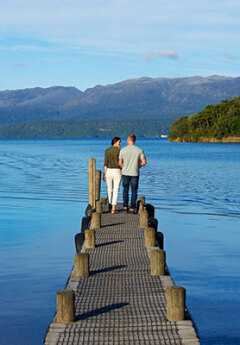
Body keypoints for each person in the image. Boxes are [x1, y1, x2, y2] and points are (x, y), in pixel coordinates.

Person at [119, 134, 147, 214]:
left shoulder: (123, 150)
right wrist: (138, 166)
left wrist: (124, 167)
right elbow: (144, 162)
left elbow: (120, 163)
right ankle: (132, 208)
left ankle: (125, 206)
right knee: (134, 191)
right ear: (134, 140)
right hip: (135, 173)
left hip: (125, 173)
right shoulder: (139, 150)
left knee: (125, 189)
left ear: (128, 140)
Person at [104, 137, 122, 214]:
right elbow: (121, 163)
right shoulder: (119, 151)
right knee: (116, 189)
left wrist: (104, 174)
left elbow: (105, 164)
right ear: (115, 142)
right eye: (119, 142)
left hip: (108, 171)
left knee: (109, 189)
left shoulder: (107, 151)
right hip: (117, 171)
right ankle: (113, 208)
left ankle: (110, 203)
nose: (120, 144)